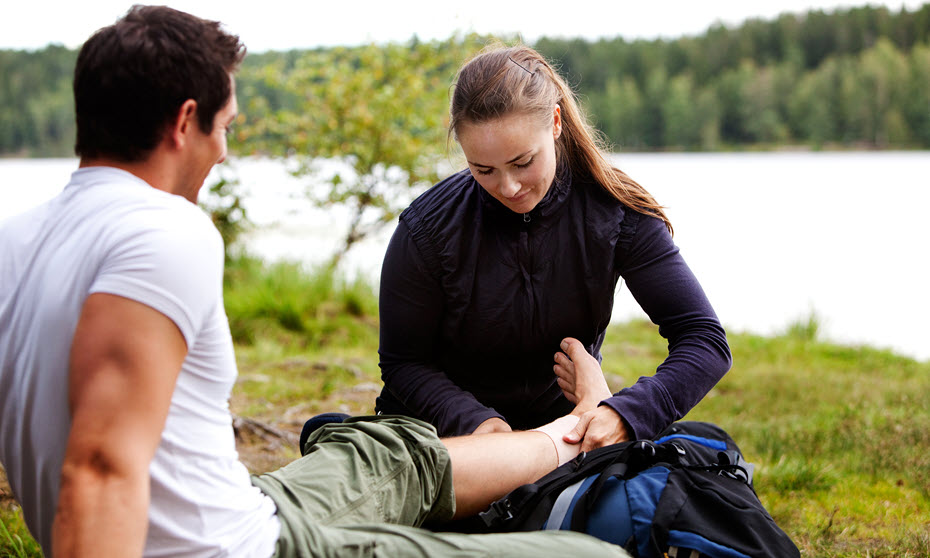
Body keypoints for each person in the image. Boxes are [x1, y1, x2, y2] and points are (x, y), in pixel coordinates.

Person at [0, 7, 631, 558]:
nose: (222, 150)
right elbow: (100, 465)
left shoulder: (13, 241)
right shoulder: (164, 230)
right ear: (185, 122)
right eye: (225, 126)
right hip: (241, 546)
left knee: (392, 450)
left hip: (239, 504)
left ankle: (563, 436)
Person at [376, 44, 732, 450]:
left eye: (523, 161)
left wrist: (625, 413)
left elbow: (703, 339)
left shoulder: (618, 212)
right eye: (483, 170)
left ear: (556, 122)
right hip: (449, 442)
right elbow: (404, 363)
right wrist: (475, 421)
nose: (507, 187)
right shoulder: (427, 228)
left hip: (562, 440)